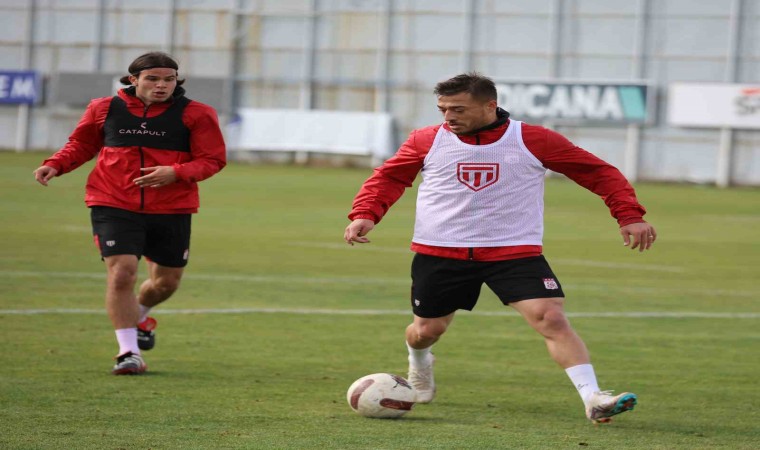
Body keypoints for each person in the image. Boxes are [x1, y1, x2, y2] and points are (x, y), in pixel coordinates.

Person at [343, 72, 656, 423]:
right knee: (426, 331)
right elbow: (389, 177)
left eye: (458, 109)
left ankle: (593, 397)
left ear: (490, 105)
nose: (448, 117)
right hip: (440, 251)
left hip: (513, 252)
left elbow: (598, 172)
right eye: (443, 109)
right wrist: (366, 213)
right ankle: (419, 363)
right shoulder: (426, 140)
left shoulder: (533, 139)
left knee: (551, 317)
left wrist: (629, 215)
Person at [33, 52, 226, 375]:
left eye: (169, 79)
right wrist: (56, 164)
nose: (162, 85)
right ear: (133, 79)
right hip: (112, 201)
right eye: (153, 79)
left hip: (172, 207)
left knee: (166, 283)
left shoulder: (197, 113)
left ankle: (140, 316)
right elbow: (82, 144)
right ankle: (128, 353)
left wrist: (176, 172)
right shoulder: (103, 108)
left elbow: (213, 159)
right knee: (122, 272)